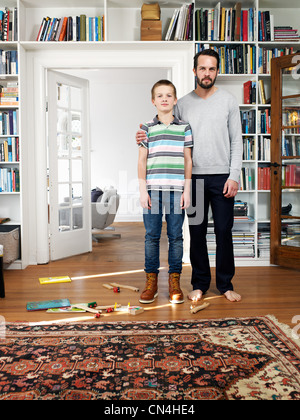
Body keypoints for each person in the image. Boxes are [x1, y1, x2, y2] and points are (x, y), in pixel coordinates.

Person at [136, 50, 243, 303]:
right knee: (196, 232)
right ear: (194, 71)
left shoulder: (229, 101)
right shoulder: (182, 102)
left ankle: (226, 284)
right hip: (192, 180)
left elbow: (237, 141)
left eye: (212, 69)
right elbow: (166, 131)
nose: (207, 73)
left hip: (222, 178)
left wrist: (234, 175)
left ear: (217, 72)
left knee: (224, 231)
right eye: (203, 68)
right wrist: (141, 136)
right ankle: (200, 284)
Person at [138, 80, 193, 304]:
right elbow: (142, 161)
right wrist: (143, 190)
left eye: (169, 95)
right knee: (151, 236)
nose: (164, 99)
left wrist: (186, 190)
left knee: (176, 237)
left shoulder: (185, 127)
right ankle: (151, 282)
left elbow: (188, 160)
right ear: (153, 101)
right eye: (160, 96)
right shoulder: (145, 128)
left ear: (175, 99)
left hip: (176, 191)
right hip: (152, 190)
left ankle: (174, 281)